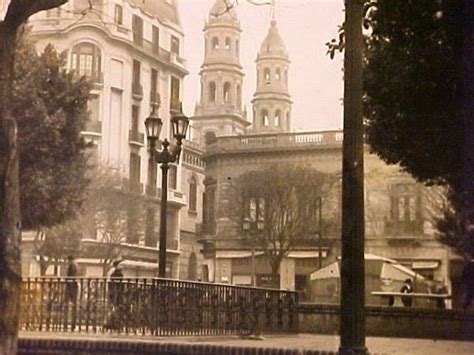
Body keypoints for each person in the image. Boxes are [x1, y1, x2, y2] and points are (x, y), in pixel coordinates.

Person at [105, 260, 124, 330]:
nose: (122, 266)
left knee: (112, 307)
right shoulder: (118, 274)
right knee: (116, 307)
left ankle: (110, 323)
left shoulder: (113, 272)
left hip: (113, 292)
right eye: (120, 265)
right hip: (116, 293)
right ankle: (114, 323)